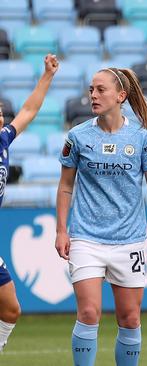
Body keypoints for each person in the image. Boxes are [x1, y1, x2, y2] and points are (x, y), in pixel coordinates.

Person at [55, 67, 147, 366]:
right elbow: (66, 186)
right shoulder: (78, 136)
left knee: (129, 319)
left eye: (100, 89)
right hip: (85, 238)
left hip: (129, 241)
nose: (93, 95)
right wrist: (61, 230)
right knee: (89, 313)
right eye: (91, 89)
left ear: (121, 96)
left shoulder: (142, 138)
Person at [0, 54, 59, 352]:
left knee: (10, 309)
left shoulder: (3, 140)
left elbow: (29, 109)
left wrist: (47, 76)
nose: (1, 118)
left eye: (0, 113)